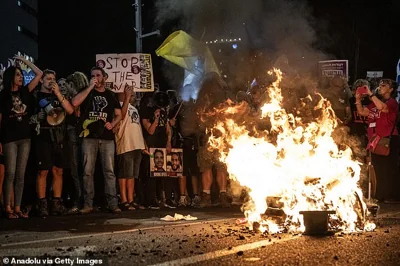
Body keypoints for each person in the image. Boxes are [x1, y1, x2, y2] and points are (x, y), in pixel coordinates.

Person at [72, 67, 122, 214]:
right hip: (89, 136)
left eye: (98, 75)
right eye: (92, 75)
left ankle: (113, 203)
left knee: (109, 171)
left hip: (106, 137)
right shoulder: (87, 92)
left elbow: (119, 114)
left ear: (104, 77)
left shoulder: (111, 95)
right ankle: (88, 204)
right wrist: (90, 87)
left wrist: (112, 124)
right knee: (88, 171)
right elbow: (75, 103)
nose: (95, 77)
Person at [0, 56, 42, 219]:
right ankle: (8, 208)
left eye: (21, 75)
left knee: (20, 174)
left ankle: (17, 208)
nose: (21, 77)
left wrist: (24, 61)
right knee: (9, 173)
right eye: (18, 74)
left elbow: (38, 74)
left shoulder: (24, 92)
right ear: (11, 77)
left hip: (25, 138)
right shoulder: (3, 96)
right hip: (9, 139)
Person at [32, 69, 74, 217]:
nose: (51, 81)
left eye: (53, 78)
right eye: (48, 78)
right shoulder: (36, 96)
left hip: (59, 137)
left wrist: (58, 94)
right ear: (42, 81)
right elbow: (30, 118)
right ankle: (42, 203)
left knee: (58, 170)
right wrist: (38, 116)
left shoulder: (58, 95)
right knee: (43, 171)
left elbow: (69, 110)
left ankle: (56, 203)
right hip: (43, 136)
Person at [354, 79, 399, 202]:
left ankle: (391, 195)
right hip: (375, 140)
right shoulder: (373, 104)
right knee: (377, 168)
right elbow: (362, 112)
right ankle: (380, 195)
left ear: (391, 89)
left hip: (388, 140)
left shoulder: (392, 102)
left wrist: (370, 94)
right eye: (379, 85)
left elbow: (382, 107)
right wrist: (358, 99)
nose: (380, 87)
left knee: (388, 168)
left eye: (384, 85)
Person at [114, 86, 146, 211]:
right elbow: (121, 116)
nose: (131, 92)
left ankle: (131, 199)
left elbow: (137, 126)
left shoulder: (134, 108)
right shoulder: (118, 106)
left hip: (136, 145)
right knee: (124, 174)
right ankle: (124, 200)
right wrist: (126, 97)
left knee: (132, 175)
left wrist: (143, 143)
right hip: (125, 144)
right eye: (127, 90)